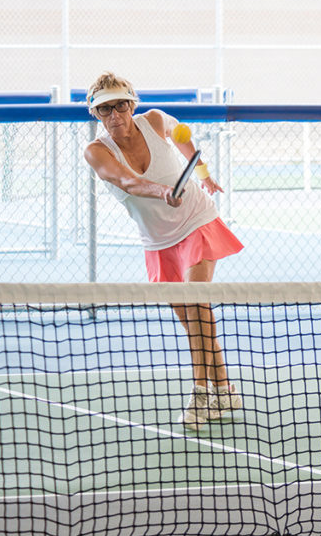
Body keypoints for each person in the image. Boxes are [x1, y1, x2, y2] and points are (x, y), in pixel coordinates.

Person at [83, 72, 245, 432]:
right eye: (105, 110)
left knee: (197, 305)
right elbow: (127, 181)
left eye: (120, 106)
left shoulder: (154, 120)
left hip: (196, 221)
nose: (115, 116)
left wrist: (202, 173)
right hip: (157, 241)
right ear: (96, 114)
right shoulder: (96, 151)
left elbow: (183, 138)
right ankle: (225, 388)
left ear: (131, 105)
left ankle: (201, 393)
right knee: (191, 320)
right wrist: (162, 192)